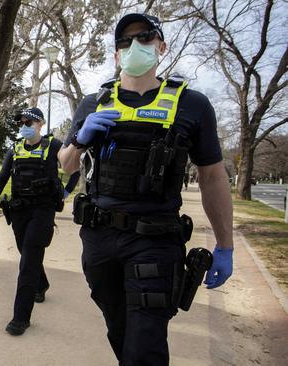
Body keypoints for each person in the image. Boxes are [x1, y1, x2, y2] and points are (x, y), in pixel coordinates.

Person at [58, 13, 234, 365]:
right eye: (124, 41)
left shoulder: (192, 104)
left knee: (145, 344)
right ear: (116, 54)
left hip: (155, 240)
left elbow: (213, 176)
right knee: (120, 331)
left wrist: (225, 245)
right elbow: (65, 164)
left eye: (144, 37)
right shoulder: (94, 103)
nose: (133, 46)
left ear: (161, 46)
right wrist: (80, 138)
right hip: (99, 239)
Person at [0, 107, 66, 336]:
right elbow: (2, 177)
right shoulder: (15, 148)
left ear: (40, 124)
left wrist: (66, 189)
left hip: (43, 210)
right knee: (25, 251)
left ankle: (21, 317)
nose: (24, 125)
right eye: (21, 122)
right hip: (20, 210)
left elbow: (73, 166)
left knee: (28, 259)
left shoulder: (54, 146)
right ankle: (41, 284)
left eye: (29, 121)